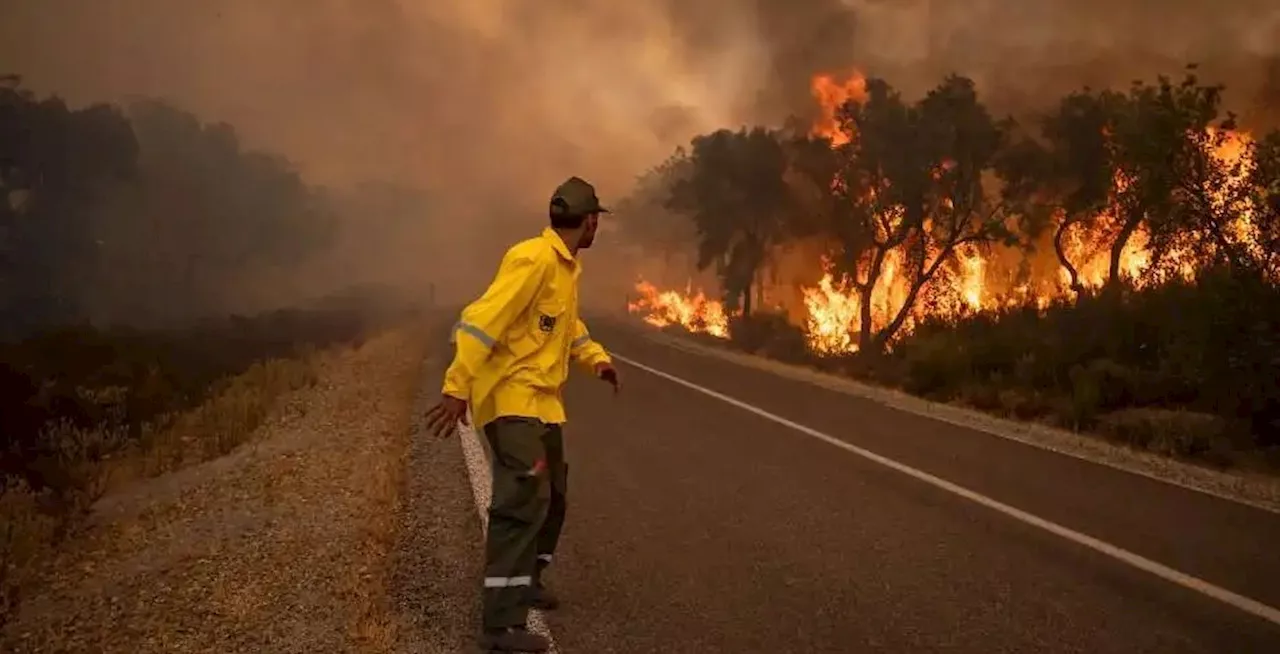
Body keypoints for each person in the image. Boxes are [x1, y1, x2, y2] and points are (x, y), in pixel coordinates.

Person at [425, 176, 621, 653]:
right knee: (521, 499)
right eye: (598, 219)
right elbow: (480, 320)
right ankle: (501, 625)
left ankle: (527, 581)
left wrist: (597, 358)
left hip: (543, 403)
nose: (598, 227)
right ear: (590, 220)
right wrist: (457, 388)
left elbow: (567, 328)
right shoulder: (531, 259)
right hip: (512, 400)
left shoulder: (565, 268)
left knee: (554, 496)